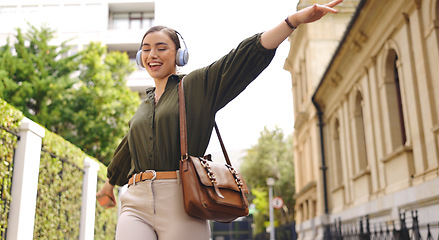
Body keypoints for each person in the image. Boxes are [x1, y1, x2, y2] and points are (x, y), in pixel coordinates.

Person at [96, 0, 343, 239]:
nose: (153, 54)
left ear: (179, 55)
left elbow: (240, 59)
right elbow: (128, 146)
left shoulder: (195, 86)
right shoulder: (144, 105)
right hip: (135, 200)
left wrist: (293, 21)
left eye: (161, 48)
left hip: (180, 200)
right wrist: (109, 184)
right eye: (146, 49)